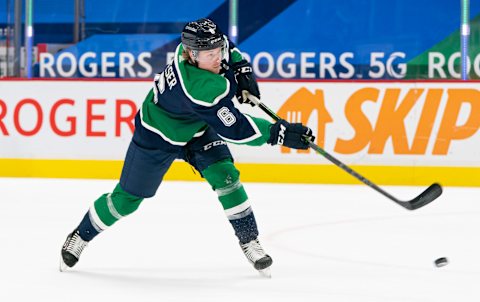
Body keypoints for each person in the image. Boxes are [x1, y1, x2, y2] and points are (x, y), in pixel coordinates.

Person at [60, 18, 314, 276]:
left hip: (196, 128)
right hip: (157, 136)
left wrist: (241, 67)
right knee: (125, 201)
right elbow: (235, 128)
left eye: (218, 52)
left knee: (226, 176)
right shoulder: (200, 87)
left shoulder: (194, 50)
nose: (218, 58)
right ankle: (81, 236)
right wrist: (279, 133)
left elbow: (226, 44)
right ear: (192, 55)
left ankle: (249, 241)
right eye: (211, 54)